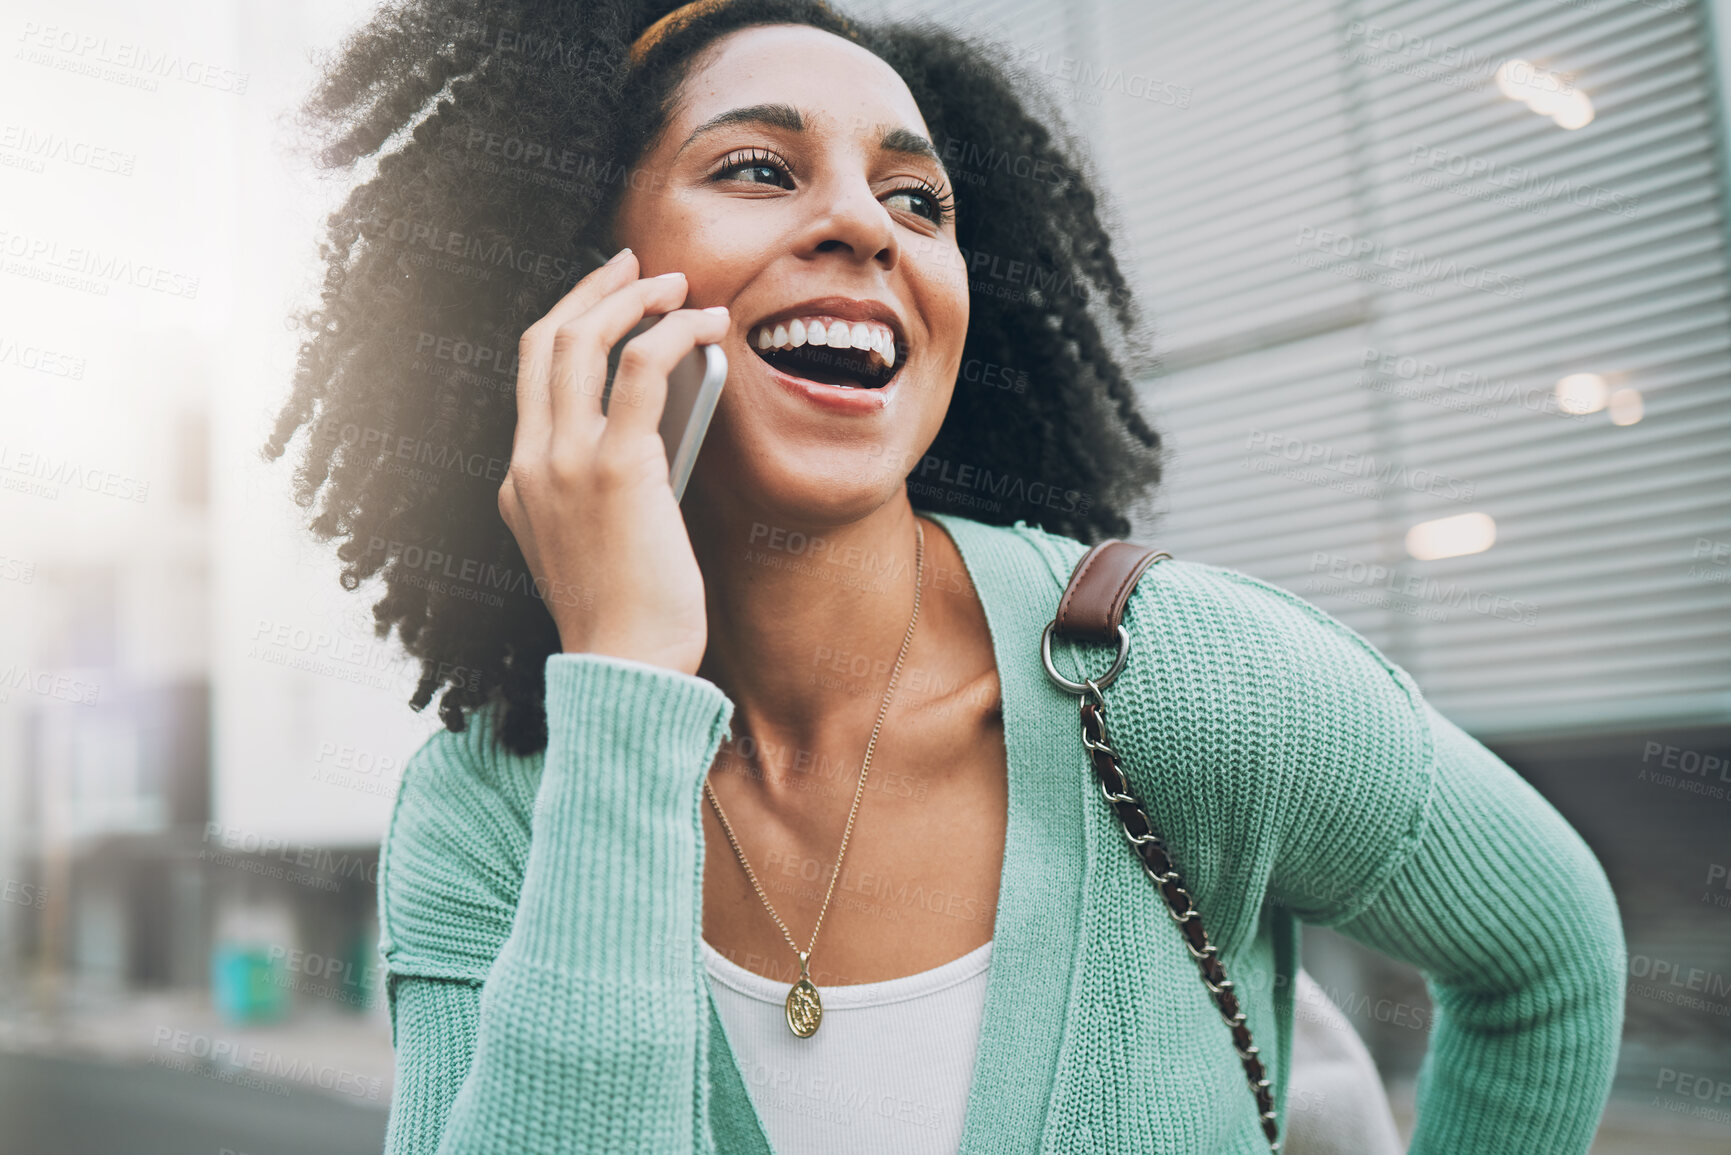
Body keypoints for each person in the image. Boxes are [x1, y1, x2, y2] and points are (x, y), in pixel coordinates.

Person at [267, 1, 1626, 1151]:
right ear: (584, 276)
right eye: (756, 169)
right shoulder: (486, 817)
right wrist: (621, 684)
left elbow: (1548, 964)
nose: (866, 225)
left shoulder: (1184, 685)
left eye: (917, 198)